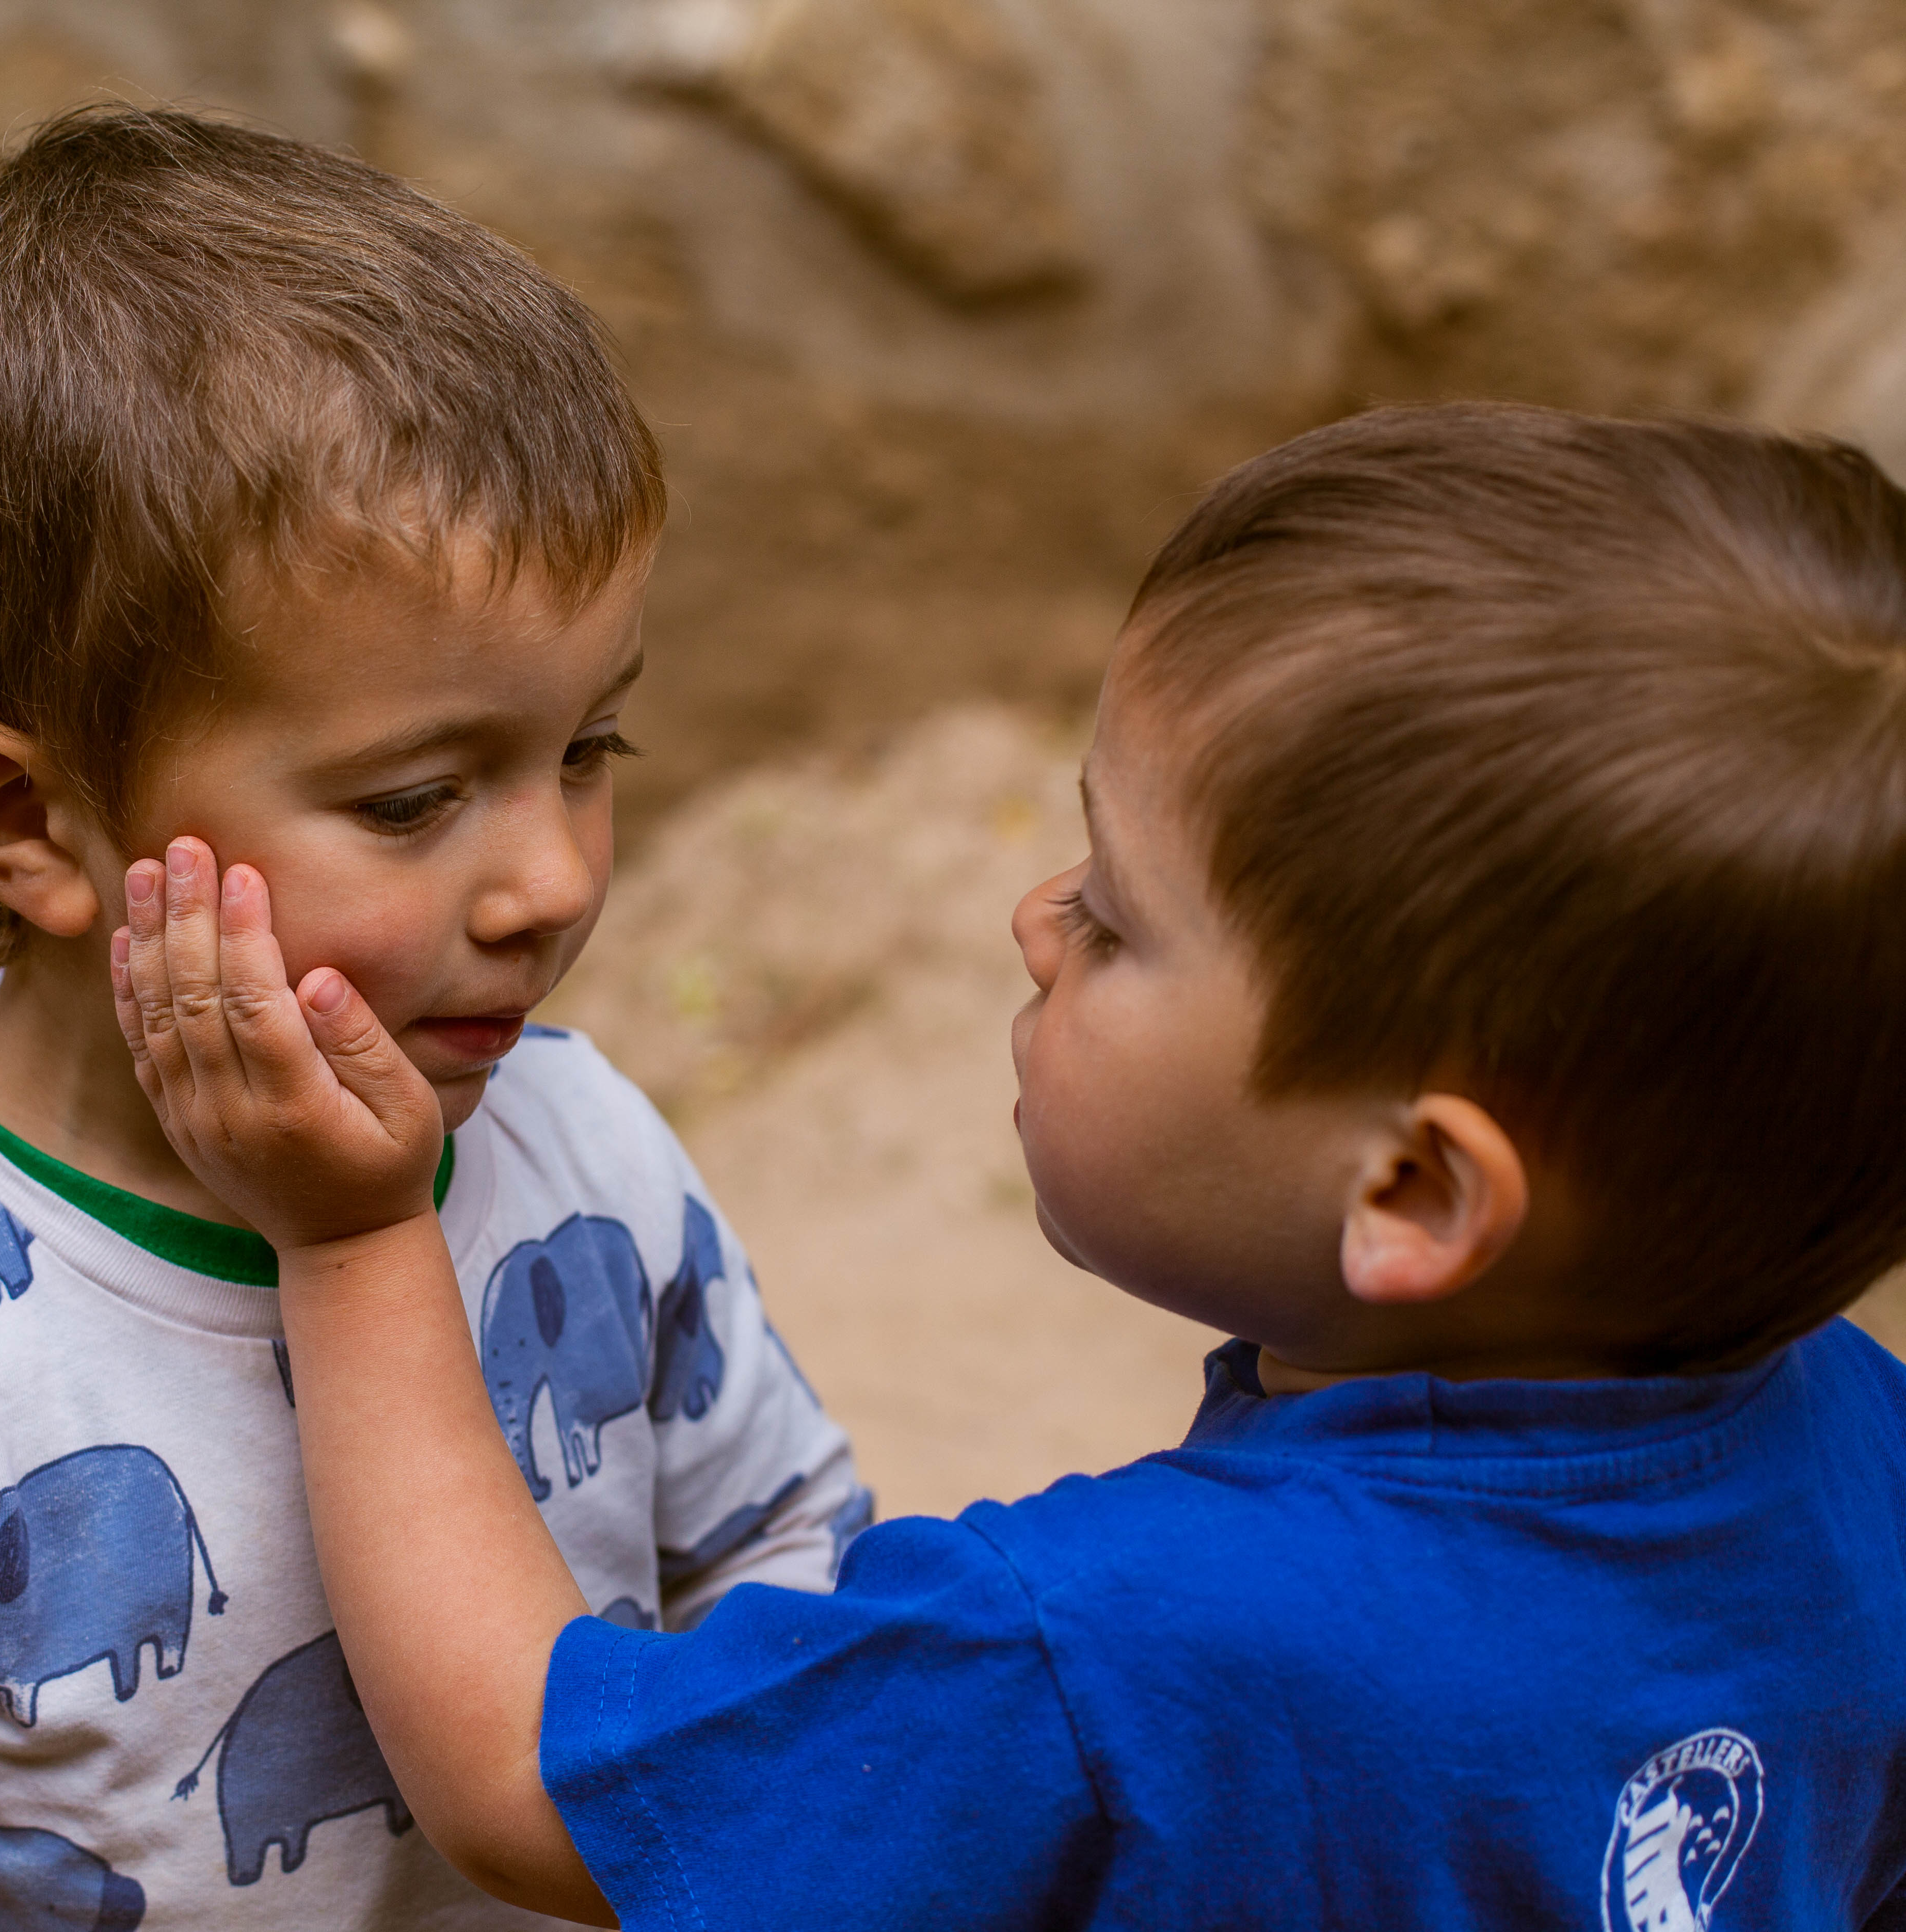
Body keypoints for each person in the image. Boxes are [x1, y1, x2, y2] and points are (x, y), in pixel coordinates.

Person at [111, 402, 1906, 1930]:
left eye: (1119, 920)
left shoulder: (1094, 1658)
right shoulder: (1865, 1457)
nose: (1034, 917)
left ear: (1416, 1198)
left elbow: (531, 1776)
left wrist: (354, 1240)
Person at [0, 107, 864, 1932]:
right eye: (416, 800)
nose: (553, 882)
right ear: (30, 823)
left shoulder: (580, 1148)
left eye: (588, 751)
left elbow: (790, 1567)